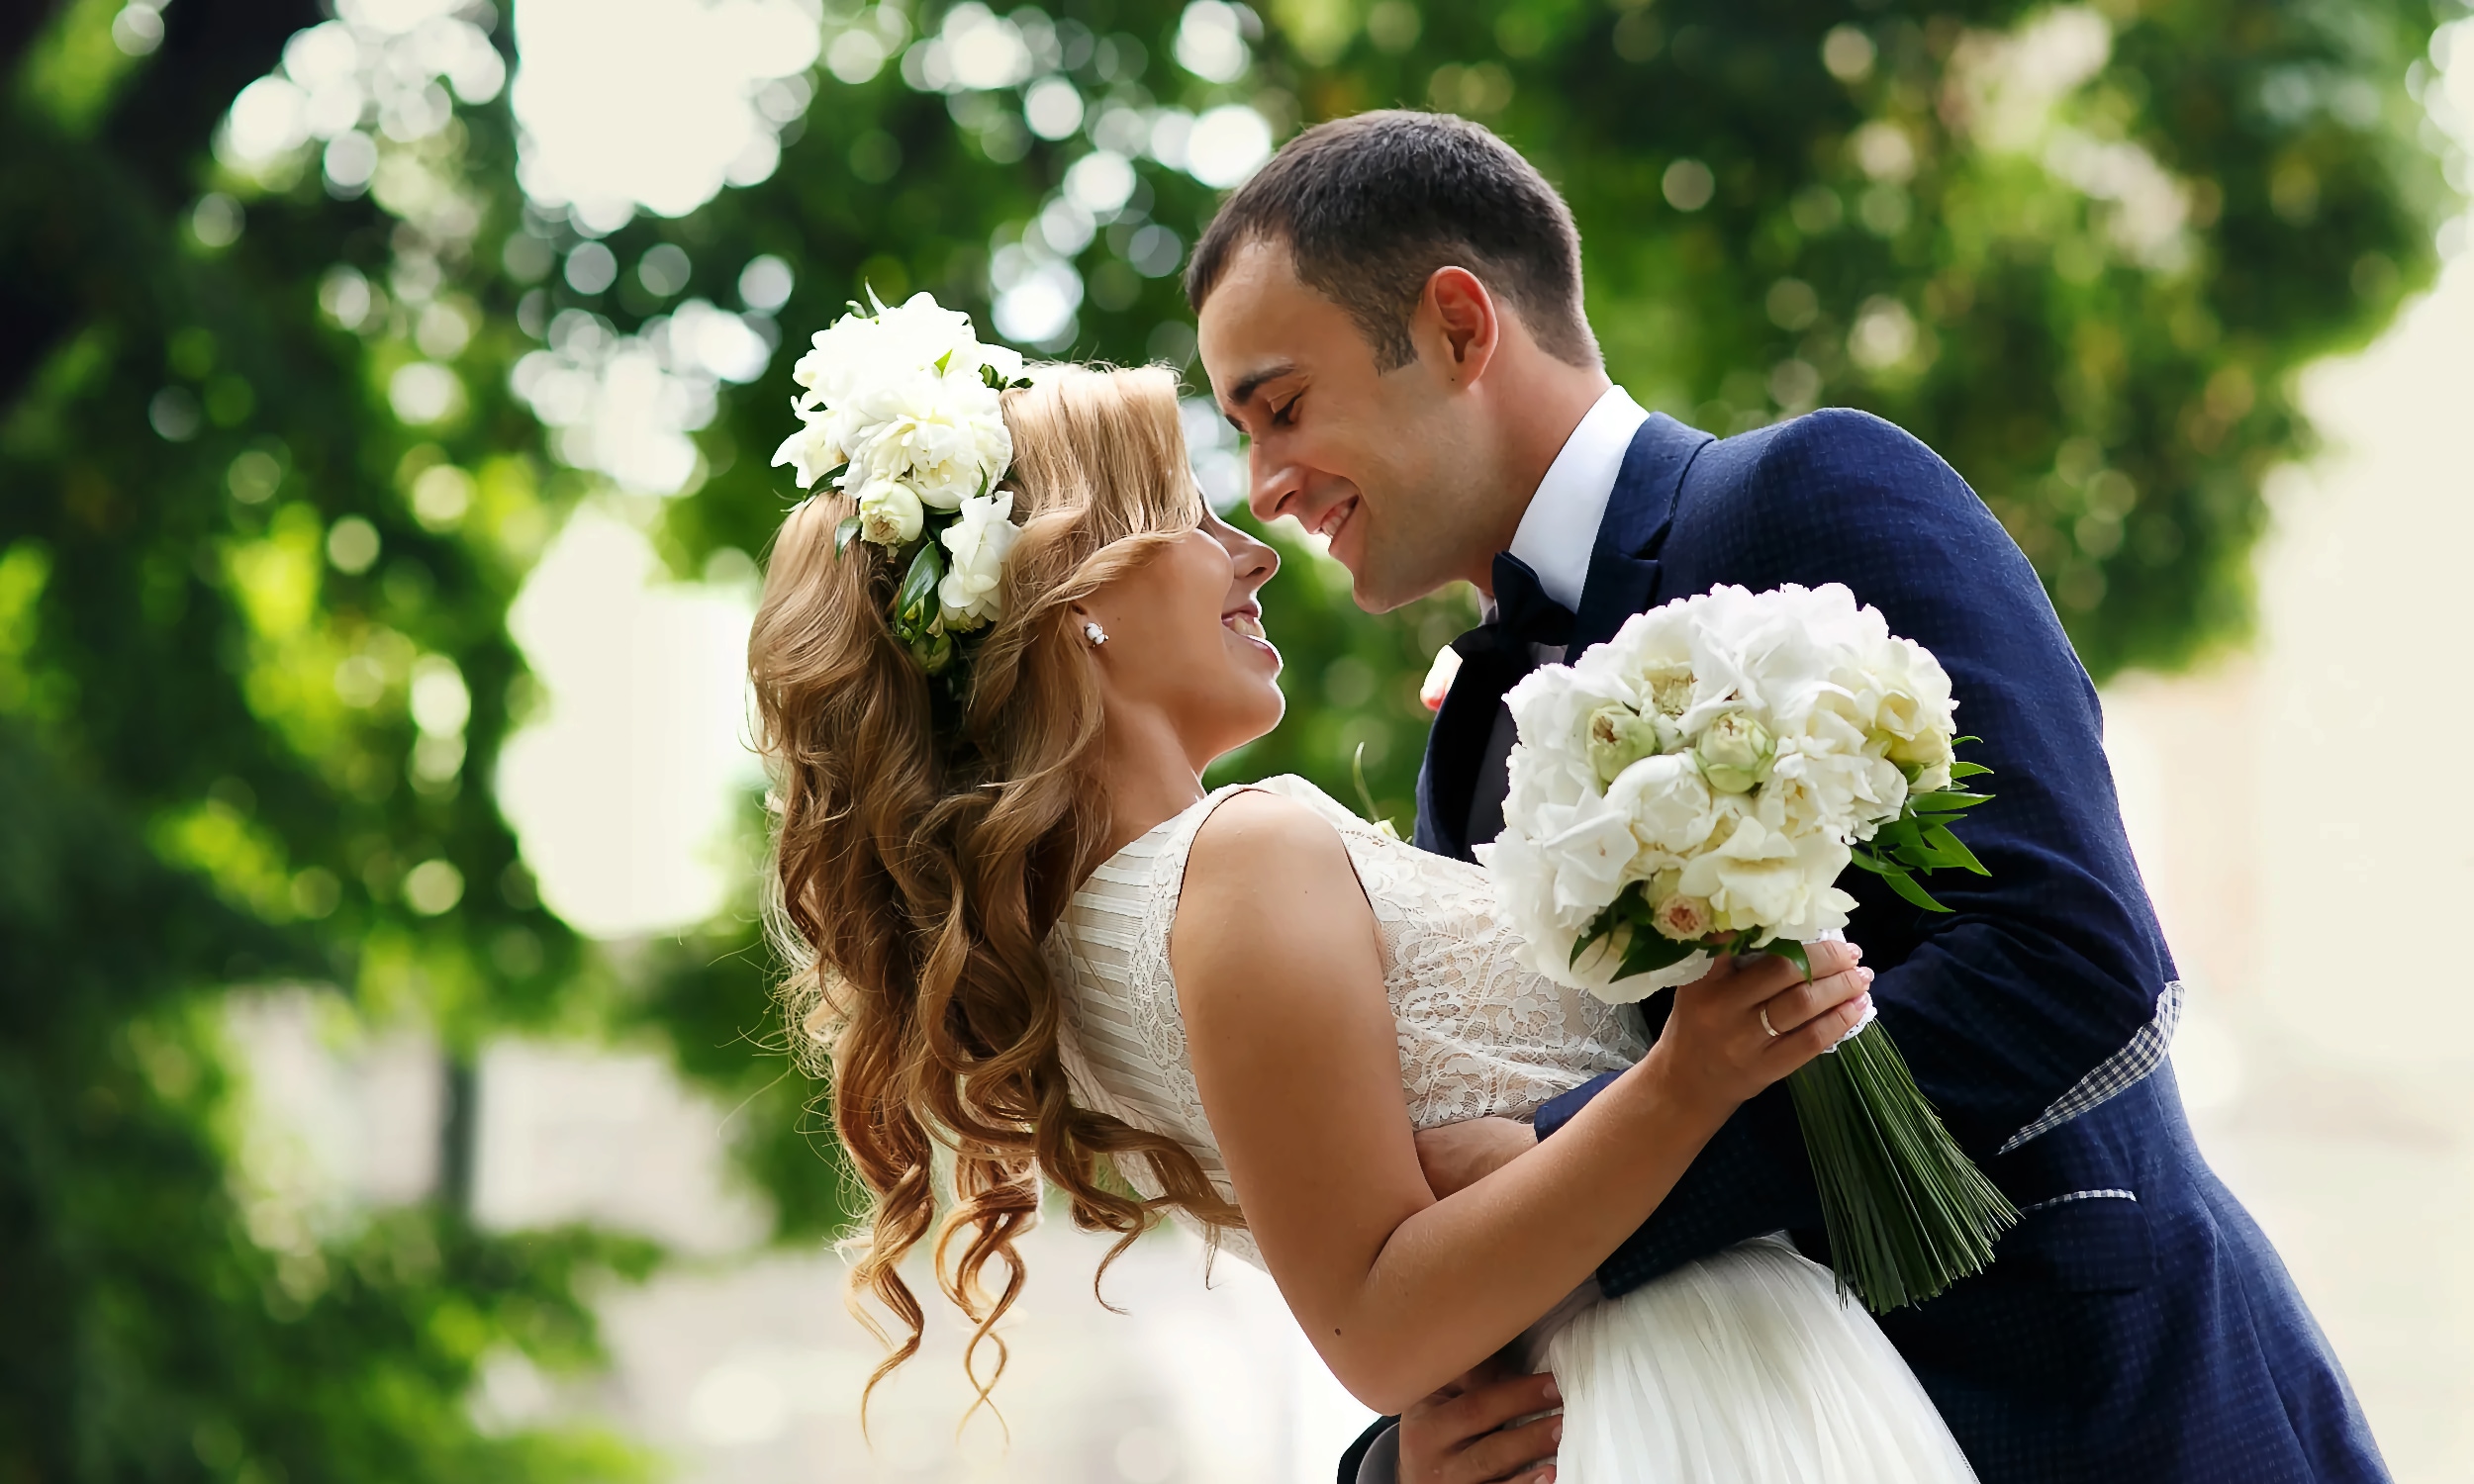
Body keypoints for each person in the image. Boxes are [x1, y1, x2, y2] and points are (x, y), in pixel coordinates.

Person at [1183, 110, 2387, 1483]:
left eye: (1281, 406)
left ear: (1460, 326)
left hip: (2093, 1412)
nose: (1266, 484)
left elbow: (2070, 963)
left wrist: (1561, 1157)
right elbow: (1471, 1234)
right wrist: (1407, 1460)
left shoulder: (1808, 497)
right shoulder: (1467, 747)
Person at [753, 362, 1986, 1482]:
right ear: (1071, 598)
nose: (1255, 553)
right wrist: (1684, 1080)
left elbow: (1383, 1255)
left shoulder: (1075, 961)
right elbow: (1382, 1327)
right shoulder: (1243, 857)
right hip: (1685, 1392)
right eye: (1189, 518)